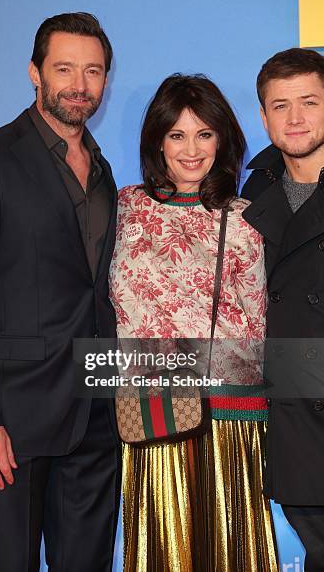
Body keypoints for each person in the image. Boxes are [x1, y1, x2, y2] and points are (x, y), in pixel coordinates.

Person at [0, 12, 121, 572]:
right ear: (34, 72)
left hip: (96, 413)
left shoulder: (104, 170)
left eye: (93, 71)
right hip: (12, 420)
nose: (79, 85)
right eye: (64, 68)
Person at [109, 74, 278, 571]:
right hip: (154, 412)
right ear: (157, 141)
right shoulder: (124, 208)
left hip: (232, 417)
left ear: (222, 140)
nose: (191, 149)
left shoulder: (250, 219)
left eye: (204, 134)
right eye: (177, 134)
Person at [241, 48, 324, 572]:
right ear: (264, 115)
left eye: (309, 102)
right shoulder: (253, 190)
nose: (295, 118)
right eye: (280, 105)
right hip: (292, 415)